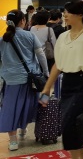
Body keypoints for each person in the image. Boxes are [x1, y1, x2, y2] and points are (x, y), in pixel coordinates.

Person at [40, 0, 83, 159]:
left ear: (80, 15)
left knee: (68, 124)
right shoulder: (62, 37)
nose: (65, 15)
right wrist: (47, 88)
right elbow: (57, 65)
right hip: (67, 82)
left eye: (69, 12)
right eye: (64, 12)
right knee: (74, 124)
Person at [0, 9, 49, 151]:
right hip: (30, 79)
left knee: (10, 109)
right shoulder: (29, 36)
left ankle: (13, 140)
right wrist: (45, 72)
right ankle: (23, 129)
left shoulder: (3, 40)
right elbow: (41, 56)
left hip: (10, 80)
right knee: (28, 105)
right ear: (22, 21)